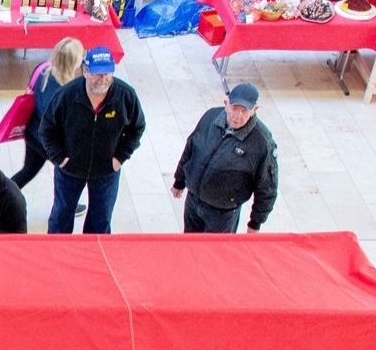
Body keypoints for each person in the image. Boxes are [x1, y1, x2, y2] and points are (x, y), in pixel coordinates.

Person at [41, 46, 146, 234]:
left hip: (106, 172)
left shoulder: (125, 96)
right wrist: (59, 157)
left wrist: (120, 157)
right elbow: (47, 129)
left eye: (107, 73)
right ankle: (56, 254)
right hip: (70, 170)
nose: (103, 78)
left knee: (101, 219)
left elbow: (137, 128)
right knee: (61, 216)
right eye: (97, 73)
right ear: (85, 71)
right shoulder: (66, 96)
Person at [171, 83, 279, 233]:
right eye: (235, 108)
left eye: (244, 111)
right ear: (226, 103)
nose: (238, 116)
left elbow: (267, 187)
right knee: (190, 246)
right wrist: (179, 181)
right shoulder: (210, 117)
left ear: (254, 110)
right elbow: (190, 150)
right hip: (193, 202)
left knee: (214, 254)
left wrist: (255, 223)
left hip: (222, 215)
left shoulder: (262, 143)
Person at [13, 38, 85, 190]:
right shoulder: (69, 91)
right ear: (73, 62)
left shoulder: (42, 69)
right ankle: (64, 207)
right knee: (68, 179)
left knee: (27, 171)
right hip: (52, 144)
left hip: (33, 133)